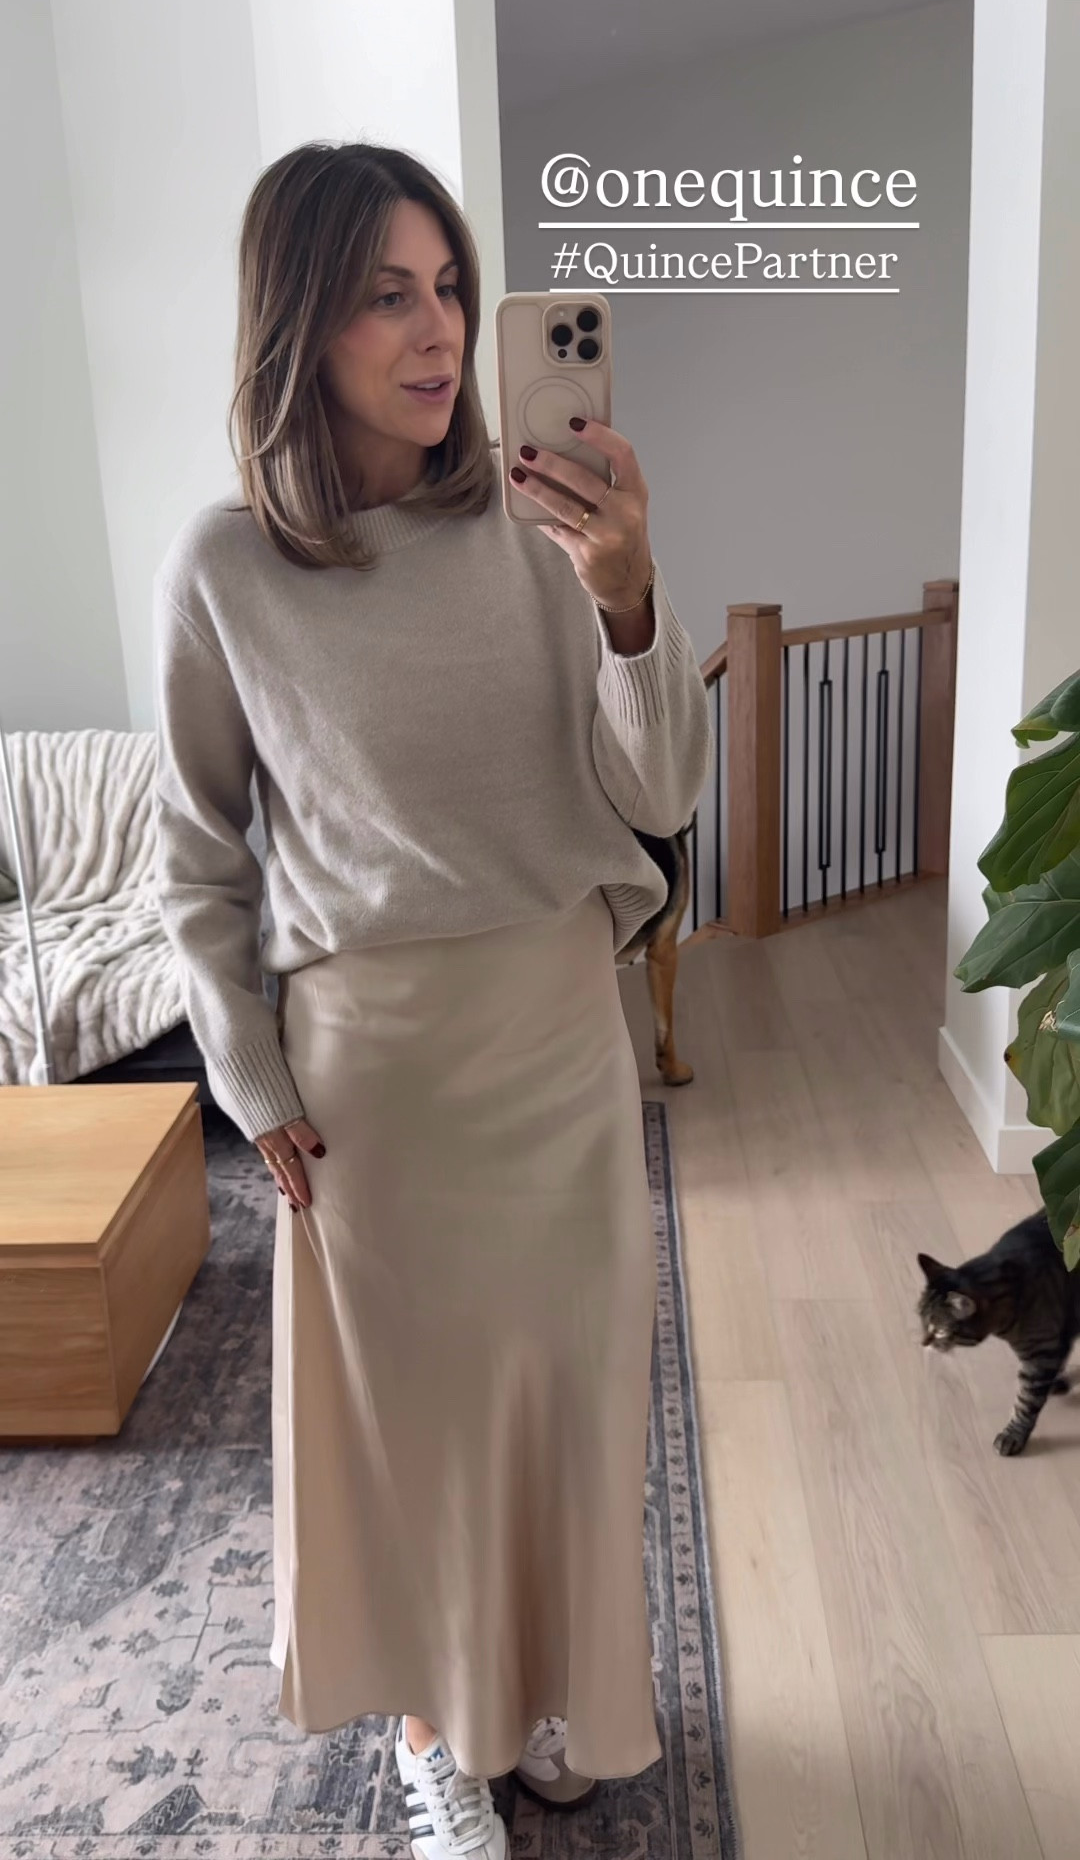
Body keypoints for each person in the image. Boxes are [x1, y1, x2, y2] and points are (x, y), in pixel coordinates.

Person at [152, 140, 711, 1860]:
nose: (441, 329)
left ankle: (552, 1696)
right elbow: (198, 858)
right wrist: (249, 1076)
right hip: (373, 1085)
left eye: (451, 287)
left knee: (566, 1403)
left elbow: (662, 793)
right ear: (297, 322)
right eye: (387, 294)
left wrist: (628, 600)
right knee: (416, 1437)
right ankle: (429, 1736)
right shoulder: (226, 570)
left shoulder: (549, 531)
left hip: (554, 1045)